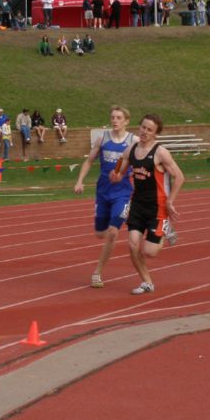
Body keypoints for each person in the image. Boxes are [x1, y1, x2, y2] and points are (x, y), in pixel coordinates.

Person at [110, 114, 185, 295]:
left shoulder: (160, 152)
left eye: (149, 130)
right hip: (137, 205)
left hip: (157, 207)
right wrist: (116, 174)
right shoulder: (131, 149)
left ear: (155, 134)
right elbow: (121, 162)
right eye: (143, 127)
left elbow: (180, 177)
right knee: (132, 244)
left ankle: (166, 228)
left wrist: (170, 201)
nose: (144, 132)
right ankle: (147, 282)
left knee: (150, 252)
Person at [74, 106, 139, 288]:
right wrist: (80, 181)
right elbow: (89, 161)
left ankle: (97, 273)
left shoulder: (133, 141)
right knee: (99, 234)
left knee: (112, 232)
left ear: (126, 121)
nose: (115, 120)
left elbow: (144, 159)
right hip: (103, 191)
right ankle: (108, 229)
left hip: (123, 192)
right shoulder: (102, 139)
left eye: (119, 117)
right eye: (112, 117)